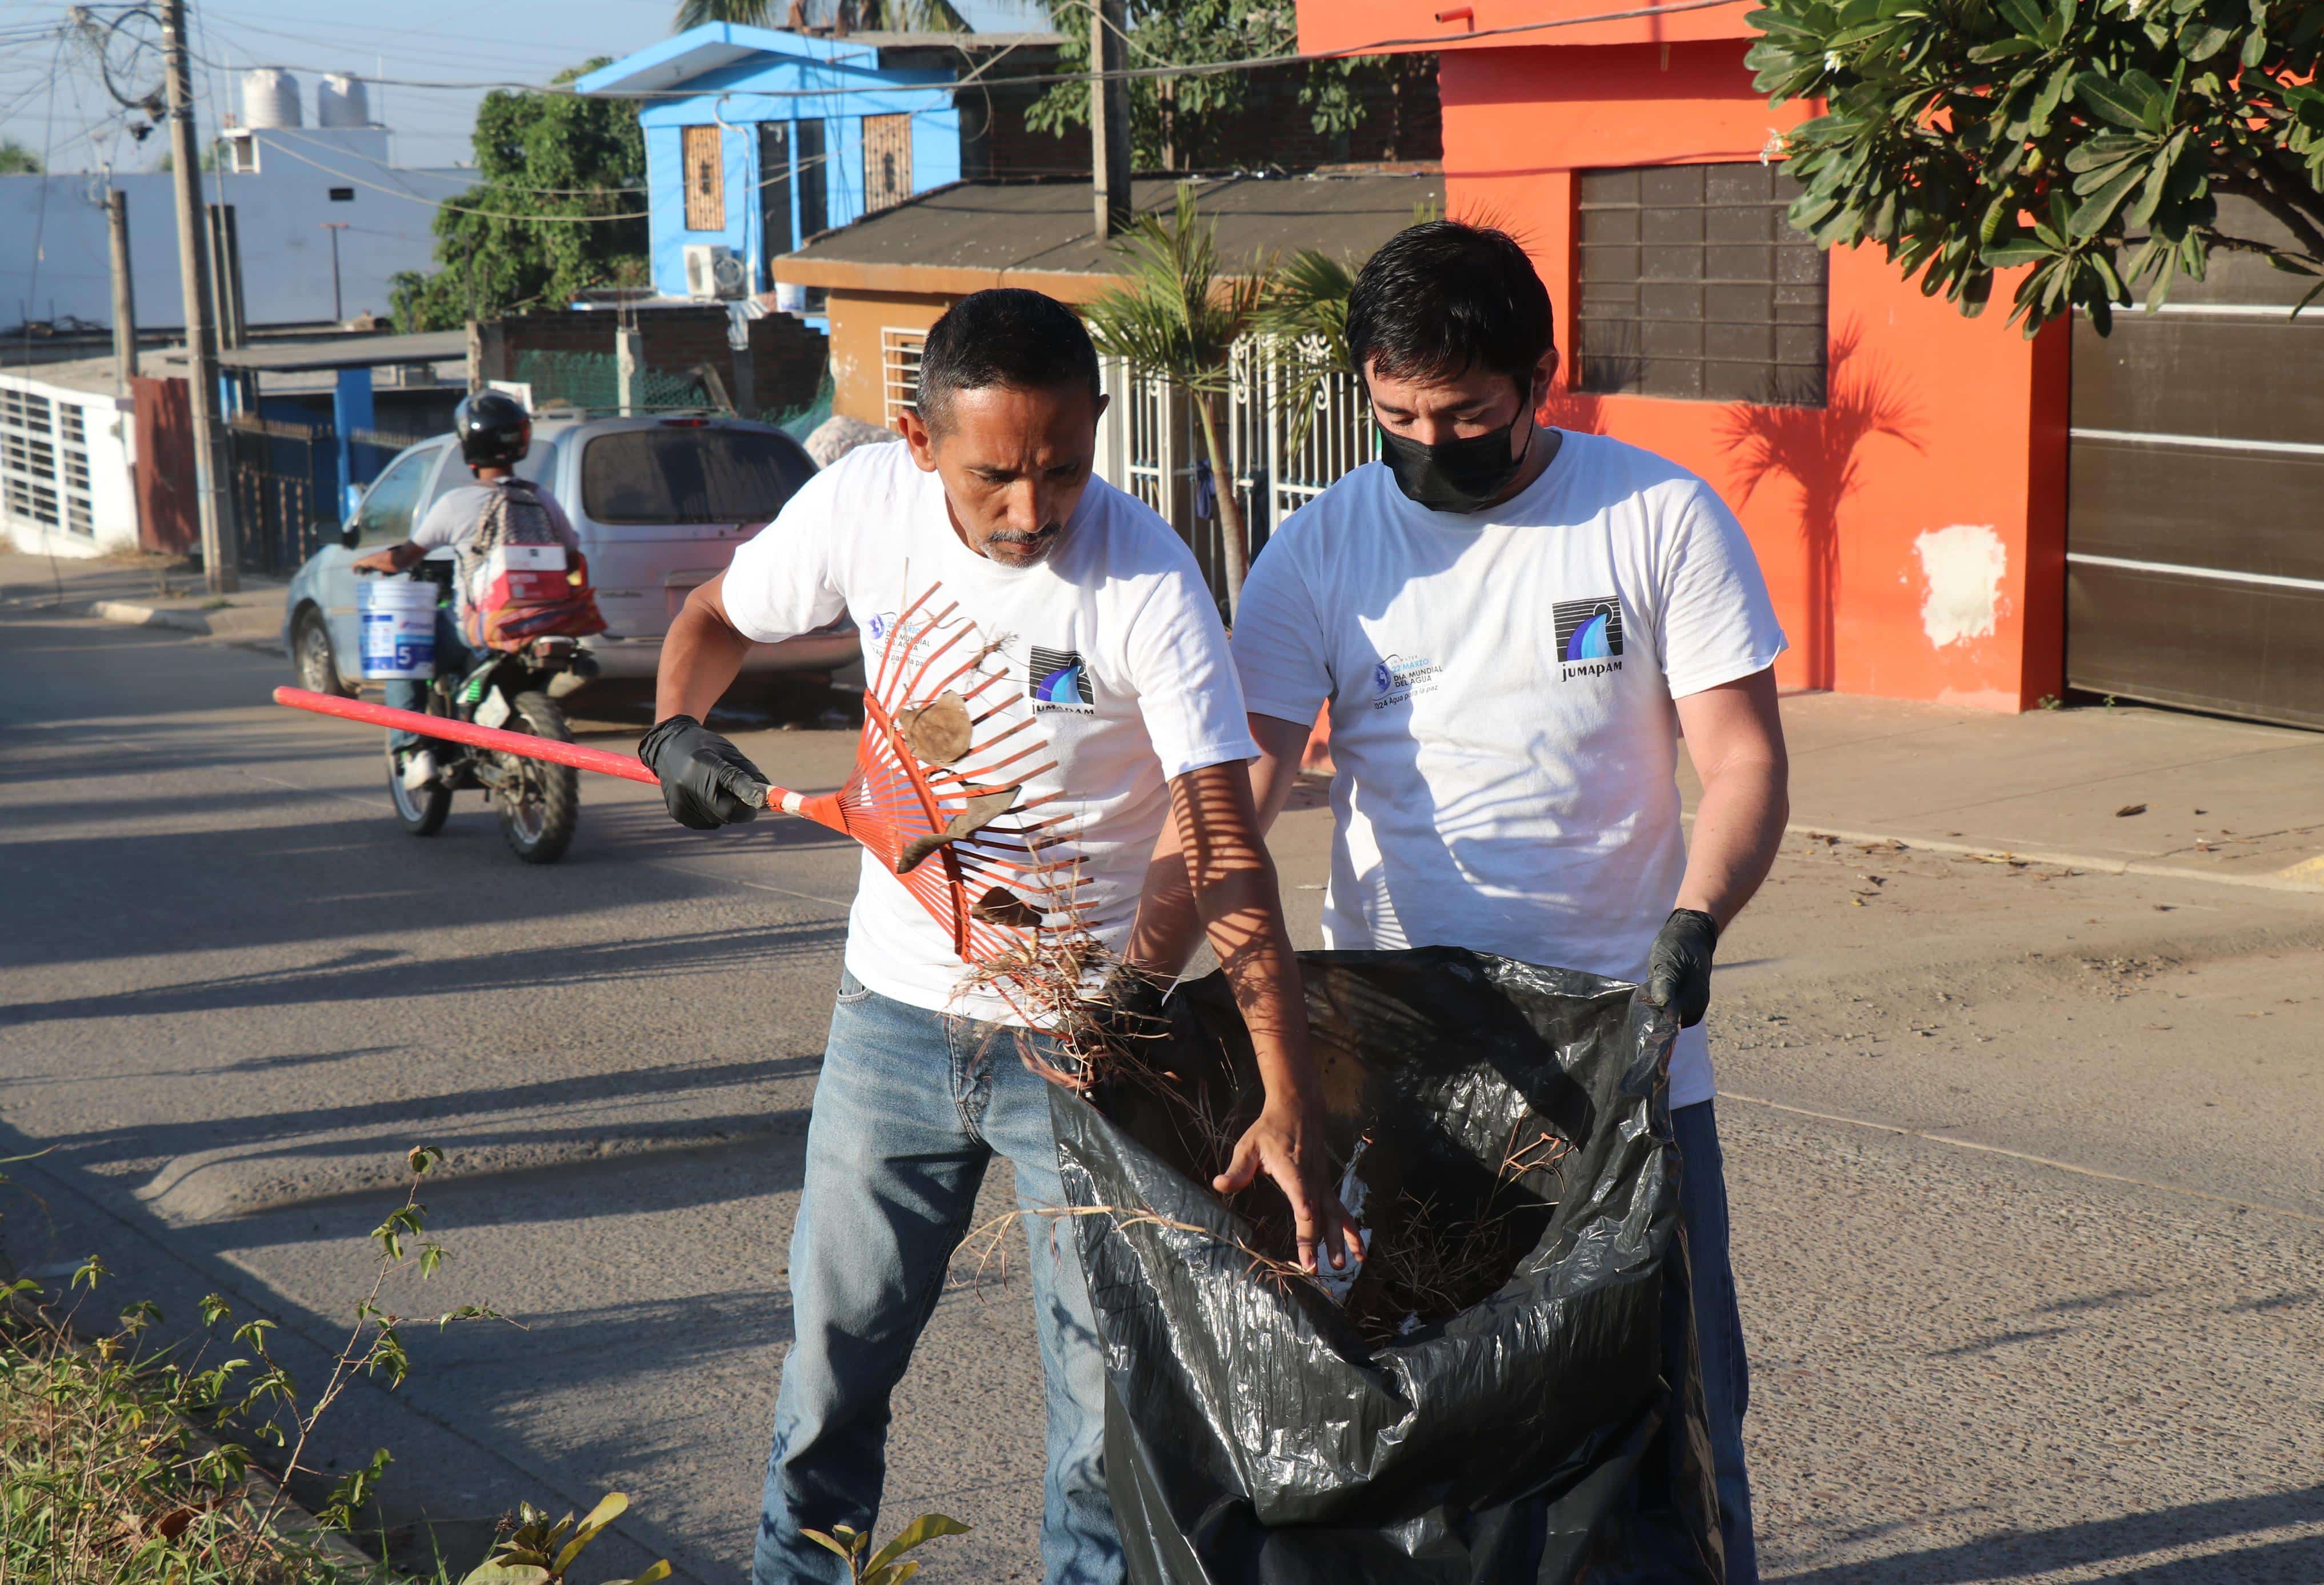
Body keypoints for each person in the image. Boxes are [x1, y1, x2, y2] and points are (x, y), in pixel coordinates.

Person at [640, 289, 1356, 1585]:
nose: (1034, 511)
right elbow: (711, 624)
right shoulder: (863, 506)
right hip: (894, 1025)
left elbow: (1224, 847)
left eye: (1062, 470)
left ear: (1093, 431)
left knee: (1101, 1413)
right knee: (829, 1367)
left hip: (1088, 1044)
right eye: (995, 479)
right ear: (921, 445)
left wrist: (1284, 1083)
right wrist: (674, 732)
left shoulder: (1146, 582)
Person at [1130, 221, 1789, 1583]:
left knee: (1675, 1398)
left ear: (1541, 375)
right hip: (1403, 1068)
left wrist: (1696, 923)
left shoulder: (1656, 519)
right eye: (1396, 415)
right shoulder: (1318, 553)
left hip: (1627, 1046)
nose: (1430, 441)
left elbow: (1742, 762)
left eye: (1468, 413)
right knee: (1430, 1409)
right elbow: (1228, 804)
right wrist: (1131, 986)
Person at [352, 389, 577, 790]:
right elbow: (573, 557)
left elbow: (403, 558)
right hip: (545, 621)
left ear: (468, 449)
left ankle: (411, 751)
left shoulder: (457, 503)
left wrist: (369, 560)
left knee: (408, 644)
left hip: (480, 629)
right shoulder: (540, 498)